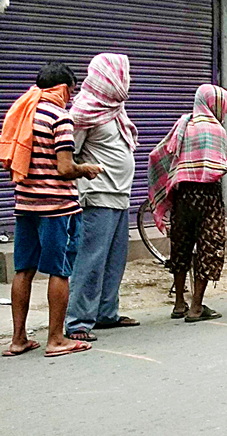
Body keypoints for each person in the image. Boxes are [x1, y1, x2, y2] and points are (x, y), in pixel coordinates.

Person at [1, 63, 102, 358]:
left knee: (23, 270)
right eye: (71, 91)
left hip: (25, 205)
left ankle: (18, 338)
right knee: (60, 270)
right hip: (57, 208)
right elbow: (65, 167)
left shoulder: (23, 114)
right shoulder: (60, 118)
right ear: (61, 89)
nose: (71, 98)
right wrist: (86, 169)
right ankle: (56, 339)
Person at [148, 84, 227, 322]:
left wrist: (174, 175)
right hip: (207, 197)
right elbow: (215, 168)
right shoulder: (216, 130)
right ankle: (197, 306)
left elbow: (158, 154)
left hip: (182, 196)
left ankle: (179, 302)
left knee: (181, 247)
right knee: (208, 247)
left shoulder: (184, 125)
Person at [65, 54, 140, 341]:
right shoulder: (84, 113)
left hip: (120, 195)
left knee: (114, 259)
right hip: (97, 196)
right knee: (90, 259)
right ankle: (78, 321)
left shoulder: (116, 110)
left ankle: (106, 312)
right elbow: (70, 156)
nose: (126, 80)